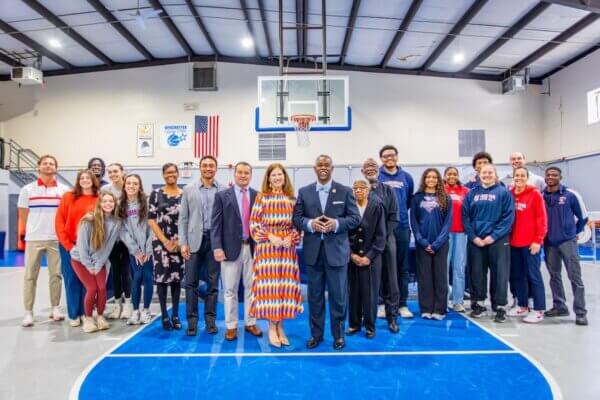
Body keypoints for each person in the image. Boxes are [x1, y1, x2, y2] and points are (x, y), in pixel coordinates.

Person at [293, 155, 361, 350]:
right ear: (315, 168)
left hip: (337, 254)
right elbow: (296, 219)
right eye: (320, 165)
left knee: (339, 297)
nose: (323, 168)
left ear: (332, 168)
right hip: (313, 254)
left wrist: (337, 224)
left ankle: (338, 336)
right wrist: (309, 224)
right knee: (314, 297)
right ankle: (316, 335)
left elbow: (355, 218)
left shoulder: (345, 191)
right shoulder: (304, 192)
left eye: (327, 165)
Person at [250, 163, 303, 347]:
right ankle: (271, 327)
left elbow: (298, 224)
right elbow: (254, 223)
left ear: (284, 177)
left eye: (280, 174)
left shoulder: (291, 199)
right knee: (271, 289)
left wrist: (292, 236)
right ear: (268, 178)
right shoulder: (261, 197)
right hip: (267, 249)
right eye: (274, 175)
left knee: (283, 289)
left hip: (287, 250)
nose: (277, 178)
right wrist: (269, 236)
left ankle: (281, 326)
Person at [212, 162, 263, 341]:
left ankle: (250, 322)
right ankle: (231, 325)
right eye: (239, 172)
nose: (243, 175)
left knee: (251, 288)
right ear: (234, 174)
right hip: (229, 249)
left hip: (253, 248)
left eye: (246, 173)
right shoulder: (222, 196)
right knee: (229, 289)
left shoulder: (258, 196)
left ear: (251, 175)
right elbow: (216, 224)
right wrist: (217, 247)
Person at [19, 155, 69, 327]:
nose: (48, 166)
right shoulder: (27, 189)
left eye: (52, 164)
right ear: (38, 166)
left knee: (56, 275)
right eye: (45, 163)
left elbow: (65, 215)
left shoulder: (63, 190)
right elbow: (24, 214)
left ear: (56, 168)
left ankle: (55, 308)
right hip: (34, 239)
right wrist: (34, 229)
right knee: (30, 276)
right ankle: (28, 312)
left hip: (56, 239)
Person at [179, 155, 226, 336]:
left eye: (211, 166)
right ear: (200, 168)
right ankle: (191, 322)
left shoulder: (222, 189)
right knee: (191, 283)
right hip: (193, 242)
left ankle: (210, 321)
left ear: (216, 168)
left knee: (213, 284)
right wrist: (183, 243)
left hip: (215, 242)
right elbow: (183, 219)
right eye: (205, 165)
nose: (208, 168)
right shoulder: (189, 189)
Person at [462, 164, 514, 323]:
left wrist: (494, 236)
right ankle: (478, 304)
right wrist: (473, 236)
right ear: (479, 175)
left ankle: (499, 306)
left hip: (498, 240)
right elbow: (465, 217)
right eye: (484, 173)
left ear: (495, 174)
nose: (487, 175)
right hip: (476, 240)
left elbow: (508, 218)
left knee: (500, 274)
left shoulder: (503, 193)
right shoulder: (471, 194)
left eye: (490, 172)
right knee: (476, 272)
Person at [542, 166, 589, 326]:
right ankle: (559, 306)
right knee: (554, 276)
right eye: (548, 175)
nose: (550, 177)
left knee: (575, 277)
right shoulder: (541, 195)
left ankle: (581, 312)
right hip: (549, 243)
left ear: (560, 177)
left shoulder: (571, 195)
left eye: (554, 175)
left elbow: (583, 217)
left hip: (567, 242)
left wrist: (574, 233)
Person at [70, 191, 121, 333]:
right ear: (100, 203)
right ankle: (88, 318)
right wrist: (89, 265)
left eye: (111, 201)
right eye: (105, 201)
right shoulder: (88, 220)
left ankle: (99, 316)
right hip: (80, 260)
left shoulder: (116, 222)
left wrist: (98, 265)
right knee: (92, 289)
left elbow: (108, 247)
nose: (108, 204)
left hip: (100, 261)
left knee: (102, 289)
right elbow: (82, 246)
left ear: (115, 203)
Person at [55, 170, 100, 327]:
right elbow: (60, 221)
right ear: (78, 181)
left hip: (90, 247)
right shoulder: (69, 197)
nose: (85, 180)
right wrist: (67, 245)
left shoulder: (99, 198)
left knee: (88, 282)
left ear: (93, 180)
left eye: (88, 177)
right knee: (72, 279)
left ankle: (86, 312)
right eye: (82, 178)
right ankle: (74, 314)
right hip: (70, 245)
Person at [360, 158, 400, 332]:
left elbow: (394, 216)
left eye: (373, 167)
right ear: (362, 171)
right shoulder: (358, 191)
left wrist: (382, 238)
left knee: (391, 280)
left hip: (386, 241)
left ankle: (392, 317)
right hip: (366, 246)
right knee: (368, 282)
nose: (370, 169)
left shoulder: (388, 191)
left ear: (379, 170)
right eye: (367, 167)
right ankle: (368, 318)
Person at [377, 145, 414, 319]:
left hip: (402, 227)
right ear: (381, 159)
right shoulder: (376, 177)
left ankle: (402, 304)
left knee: (402, 267)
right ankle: (383, 303)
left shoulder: (406, 177)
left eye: (392, 155)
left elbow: (407, 202)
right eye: (385, 156)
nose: (389, 158)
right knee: (382, 266)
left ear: (397, 157)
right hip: (381, 228)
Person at [410, 168, 452, 320]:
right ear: (424, 179)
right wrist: (422, 241)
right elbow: (413, 222)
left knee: (440, 277)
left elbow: (447, 224)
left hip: (440, 244)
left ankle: (439, 310)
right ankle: (426, 309)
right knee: (424, 277)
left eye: (434, 177)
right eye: (428, 177)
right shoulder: (416, 198)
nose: (431, 180)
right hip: (423, 244)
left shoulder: (446, 198)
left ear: (439, 180)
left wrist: (437, 243)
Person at [508, 167, 547, 323]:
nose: (519, 178)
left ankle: (538, 310)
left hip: (531, 244)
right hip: (514, 243)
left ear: (527, 177)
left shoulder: (535, 194)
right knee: (518, 276)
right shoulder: (510, 194)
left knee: (534, 276)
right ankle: (523, 305)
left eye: (522, 175)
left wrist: (538, 240)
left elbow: (542, 219)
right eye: (517, 175)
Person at [347, 179, 386, 338]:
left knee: (370, 293)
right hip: (352, 257)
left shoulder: (376, 206)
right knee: (353, 292)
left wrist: (369, 256)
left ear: (368, 190)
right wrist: (351, 254)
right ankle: (354, 324)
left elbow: (381, 235)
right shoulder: (348, 208)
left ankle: (370, 326)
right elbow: (343, 233)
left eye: (362, 188)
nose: (358, 191)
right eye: (355, 188)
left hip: (372, 258)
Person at [148, 163, 184, 331]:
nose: (171, 175)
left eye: (173, 172)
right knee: (162, 280)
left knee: (176, 279)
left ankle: (175, 315)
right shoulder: (155, 194)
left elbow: (187, 220)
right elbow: (151, 219)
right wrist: (165, 241)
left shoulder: (184, 194)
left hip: (179, 244)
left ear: (178, 174)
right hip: (160, 244)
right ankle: (164, 315)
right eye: (168, 172)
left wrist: (179, 242)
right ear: (163, 175)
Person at [119, 174, 154, 325]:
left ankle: (146, 310)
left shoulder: (147, 202)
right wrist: (136, 251)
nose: (131, 186)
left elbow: (153, 226)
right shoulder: (121, 205)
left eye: (135, 183)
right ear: (124, 185)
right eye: (129, 183)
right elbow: (122, 231)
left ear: (139, 186)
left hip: (148, 249)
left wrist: (147, 249)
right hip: (134, 251)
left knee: (147, 276)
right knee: (136, 277)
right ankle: (135, 311)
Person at [103, 163, 132, 320]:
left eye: (115, 171)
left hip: (127, 236)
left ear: (122, 172)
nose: (113, 174)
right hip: (111, 236)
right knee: (114, 270)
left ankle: (128, 304)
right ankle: (117, 305)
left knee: (126, 271)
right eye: (110, 172)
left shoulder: (130, 187)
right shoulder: (105, 190)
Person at [444, 166, 469, 312]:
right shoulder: (441, 191)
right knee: (444, 268)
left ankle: (458, 300)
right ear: (445, 176)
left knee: (459, 267)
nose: (452, 176)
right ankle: (445, 299)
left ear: (458, 176)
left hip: (461, 233)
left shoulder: (465, 191)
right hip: (445, 234)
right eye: (449, 174)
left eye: (454, 174)